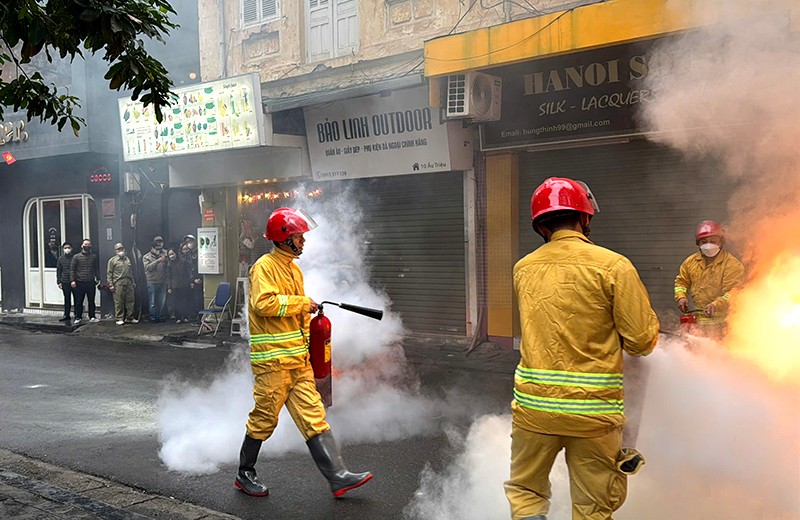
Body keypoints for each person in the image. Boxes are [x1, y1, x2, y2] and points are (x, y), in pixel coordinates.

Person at [505, 178, 660, 520]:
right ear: (585, 218)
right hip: (593, 416)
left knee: (526, 492)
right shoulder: (614, 266)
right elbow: (641, 341)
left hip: (534, 412)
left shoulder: (522, 269)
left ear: (541, 225)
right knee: (593, 507)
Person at [234, 207, 373, 498]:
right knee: (264, 418)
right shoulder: (265, 266)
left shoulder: (293, 269)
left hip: (297, 362)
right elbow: (264, 304)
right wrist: (301, 303)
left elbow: (294, 317)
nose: (303, 241)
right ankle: (244, 474)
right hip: (273, 362)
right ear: (284, 238)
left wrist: (312, 352)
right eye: (299, 236)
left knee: (314, 416)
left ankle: (338, 476)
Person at [674, 220, 745, 338]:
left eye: (713, 241)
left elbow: (734, 293)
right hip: (699, 323)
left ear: (721, 242)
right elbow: (681, 282)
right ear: (698, 243)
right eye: (704, 242)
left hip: (725, 325)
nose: (708, 245)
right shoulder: (690, 262)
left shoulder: (732, 265)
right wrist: (681, 297)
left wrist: (716, 305)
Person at [70, 238, 100, 325]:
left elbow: (96, 268)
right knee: (79, 301)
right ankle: (78, 317)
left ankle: (92, 316)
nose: (87, 246)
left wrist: (98, 278)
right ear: (82, 246)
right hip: (79, 282)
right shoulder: (76, 257)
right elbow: (72, 269)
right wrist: (72, 280)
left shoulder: (94, 256)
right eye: (85, 244)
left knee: (91, 300)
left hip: (90, 282)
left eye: (88, 245)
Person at [107, 243, 137, 325]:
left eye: (121, 249)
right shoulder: (112, 261)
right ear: (115, 251)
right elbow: (109, 273)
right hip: (118, 282)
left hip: (129, 281)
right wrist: (111, 285)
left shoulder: (127, 259)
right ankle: (119, 318)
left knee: (130, 300)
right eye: (118, 249)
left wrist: (133, 281)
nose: (120, 251)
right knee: (119, 301)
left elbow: (131, 272)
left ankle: (130, 317)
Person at [142, 236, 168, 323]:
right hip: (152, 281)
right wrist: (157, 261)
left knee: (162, 301)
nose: (158, 249)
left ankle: (162, 317)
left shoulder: (164, 253)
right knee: (152, 302)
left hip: (162, 281)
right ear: (152, 248)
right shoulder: (146, 257)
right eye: (156, 248)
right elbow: (148, 268)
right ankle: (153, 318)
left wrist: (165, 262)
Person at [168, 244, 193, 323]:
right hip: (174, 285)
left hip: (183, 284)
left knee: (184, 301)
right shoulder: (169, 264)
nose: (171, 256)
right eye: (170, 255)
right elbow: (168, 276)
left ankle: (185, 316)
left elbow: (188, 272)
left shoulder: (183, 262)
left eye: (172, 254)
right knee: (176, 302)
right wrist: (169, 287)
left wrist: (190, 281)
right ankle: (178, 317)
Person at [182, 234, 203, 319]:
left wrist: (201, 278)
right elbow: (188, 268)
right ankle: (196, 315)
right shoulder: (188, 254)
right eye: (186, 242)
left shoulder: (201, 251)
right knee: (194, 299)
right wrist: (192, 280)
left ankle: (201, 316)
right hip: (193, 280)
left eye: (190, 241)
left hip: (201, 278)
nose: (188, 243)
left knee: (200, 298)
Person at [56, 242, 75, 321]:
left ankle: (77, 315)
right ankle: (66, 315)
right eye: (65, 248)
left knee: (77, 299)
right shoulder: (61, 259)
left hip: (74, 281)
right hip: (65, 281)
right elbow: (59, 271)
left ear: (71, 248)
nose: (67, 249)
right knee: (67, 299)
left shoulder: (75, 257)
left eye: (68, 247)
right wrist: (59, 281)